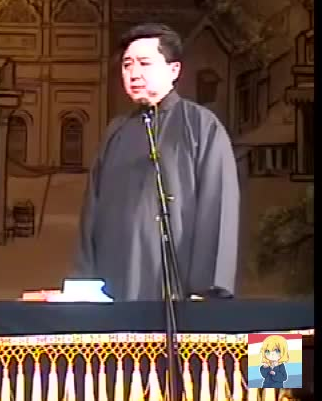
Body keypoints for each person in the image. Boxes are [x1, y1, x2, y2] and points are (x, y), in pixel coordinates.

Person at [74, 23, 240, 301]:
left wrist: (206, 290)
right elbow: (91, 213)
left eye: (144, 63)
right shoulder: (116, 132)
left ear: (174, 70)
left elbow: (217, 206)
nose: (134, 73)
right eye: (127, 65)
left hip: (178, 288)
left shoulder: (200, 126)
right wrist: (85, 286)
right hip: (115, 282)